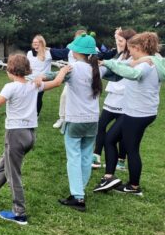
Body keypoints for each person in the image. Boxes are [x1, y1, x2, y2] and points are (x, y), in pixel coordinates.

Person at [0, 54, 70, 225]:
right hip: (30, 135)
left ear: (11, 70)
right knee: (4, 165)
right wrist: (63, 71)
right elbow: (57, 82)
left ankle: (19, 213)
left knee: (13, 174)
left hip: (15, 135)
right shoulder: (34, 85)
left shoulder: (11, 87)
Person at [93, 32, 161, 196]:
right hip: (136, 111)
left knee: (131, 148)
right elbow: (125, 64)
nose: (129, 52)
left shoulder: (147, 64)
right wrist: (108, 63)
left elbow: (133, 74)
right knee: (110, 139)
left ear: (138, 47)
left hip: (138, 113)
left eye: (131, 49)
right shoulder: (146, 60)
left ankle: (133, 186)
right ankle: (109, 177)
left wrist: (109, 64)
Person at [54, 33, 103, 212]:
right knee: (86, 156)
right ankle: (79, 192)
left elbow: (52, 76)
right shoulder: (97, 68)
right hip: (93, 120)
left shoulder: (72, 68)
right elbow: (116, 75)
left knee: (73, 158)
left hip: (75, 120)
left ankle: (78, 196)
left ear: (76, 51)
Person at [92, 28, 136, 170]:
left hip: (125, 98)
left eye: (121, 41)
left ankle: (121, 161)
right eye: (117, 40)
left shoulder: (134, 58)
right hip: (112, 97)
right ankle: (96, 156)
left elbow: (120, 68)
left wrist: (107, 64)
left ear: (129, 42)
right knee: (101, 125)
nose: (118, 43)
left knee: (122, 133)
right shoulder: (120, 54)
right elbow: (112, 62)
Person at [50, 29, 87, 129]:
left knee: (81, 99)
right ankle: (62, 119)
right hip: (71, 77)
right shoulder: (70, 47)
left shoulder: (91, 48)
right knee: (64, 96)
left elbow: (100, 57)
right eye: (77, 38)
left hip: (85, 79)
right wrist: (47, 49)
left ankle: (80, 119)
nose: (79, 40)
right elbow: (61, 53)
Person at [26, 35, 52, 115]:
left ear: (41, 43)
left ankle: (36, 115)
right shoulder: (29, 53)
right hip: (29, 79)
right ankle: (28, 113)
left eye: (37, 42)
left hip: (41, 80)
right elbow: (28, 65)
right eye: (33, 42)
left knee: (37, 97)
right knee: (28, 97)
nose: (34, 44)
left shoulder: (48, 53)